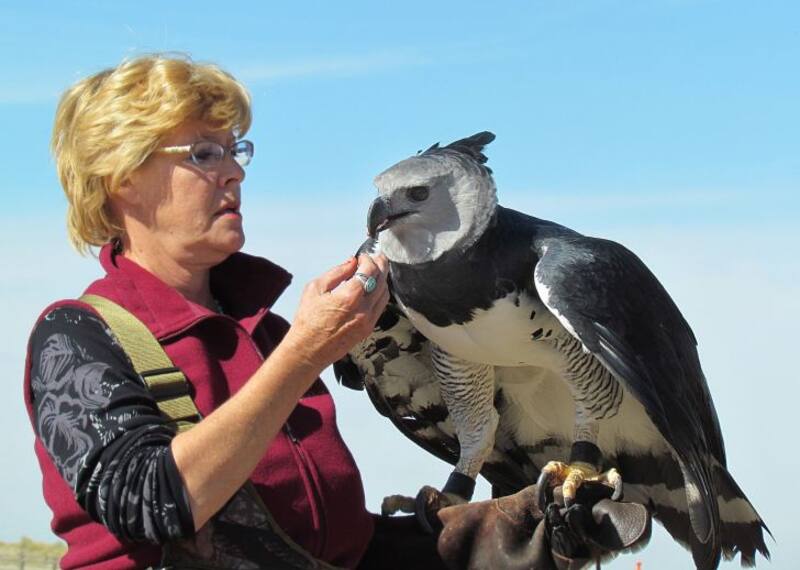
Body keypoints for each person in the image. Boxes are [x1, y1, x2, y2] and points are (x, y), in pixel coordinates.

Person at [23, 53, 649, 570]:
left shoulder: (264, 335)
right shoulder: (78, 335)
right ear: (121, 179)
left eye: (236, 150)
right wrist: (304, 355)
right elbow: (146, 502)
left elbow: (337, 550)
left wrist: (517, 536)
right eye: (203, 155)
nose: (233, 173)